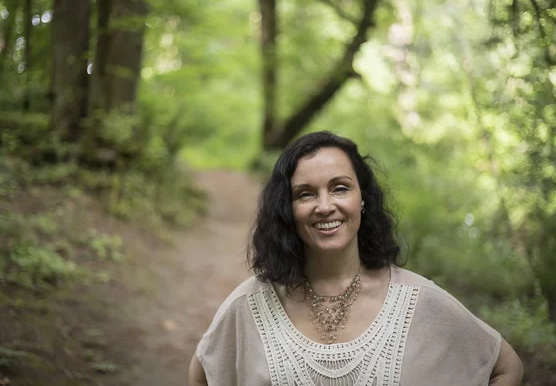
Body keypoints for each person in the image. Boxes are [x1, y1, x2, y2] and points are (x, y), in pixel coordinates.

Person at [189, 131, 524, 386]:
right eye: (305, 194)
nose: (324, 206)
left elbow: (506, 367)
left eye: (340, 188)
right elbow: (202, 372)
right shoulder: (251, 305)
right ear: (287, 210)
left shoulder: (418, 301)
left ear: (362, 198)